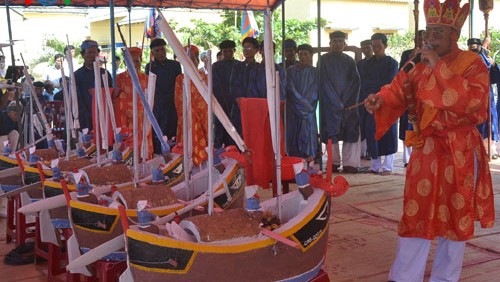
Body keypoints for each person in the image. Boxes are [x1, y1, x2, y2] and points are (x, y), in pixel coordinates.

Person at [364, 1, 494, 280]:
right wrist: (380, 100)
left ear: (453, 35)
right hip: (427, 149)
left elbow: (472, 103)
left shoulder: (472, 64)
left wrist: (439, 68)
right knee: (416, 213)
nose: (429, 38)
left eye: (437, 33)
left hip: (460, 150)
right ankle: (404, 277)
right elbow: (397, 88)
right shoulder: (417, 62)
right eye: (427, 32)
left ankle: (445, 278)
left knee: (455, 217)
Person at [319, 31, 362, 174]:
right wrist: (336, 101)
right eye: (335, 41)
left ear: (345, 44)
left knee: (350, 132)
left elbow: (355, 82)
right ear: (330, 43)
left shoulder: (349, 61)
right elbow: (323, 82)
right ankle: (333, 162)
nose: (337, 44)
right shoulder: (323, 60)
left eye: (340, 41)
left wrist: (346, 101)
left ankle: (350, 163)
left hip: (348, 105)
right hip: (330, 105)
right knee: (332, 134)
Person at [358, 33, 399, 175]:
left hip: (387, 103)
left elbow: (390, 82)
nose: (376, 49)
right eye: (373, 46)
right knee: (372, 133)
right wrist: (370, 98)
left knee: (389, 134)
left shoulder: (392, 63)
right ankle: (375, 166)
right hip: (371, 103)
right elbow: (365, 82)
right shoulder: (367, 64)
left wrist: (379, 96)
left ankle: (387, 166)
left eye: (378, 46)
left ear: (385, 46)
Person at [112, 47, 153, 159]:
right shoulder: (118, 79)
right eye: (131, 61)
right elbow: (115, 100)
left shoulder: (147, 79)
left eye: (137, 61)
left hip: (143, 119)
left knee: (143, 148)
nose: (135, 64)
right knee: (127, 150)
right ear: (125, 63)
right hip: (125, 120)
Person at [173, 45, 208, 166]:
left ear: (198, 60)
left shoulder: (204, 76)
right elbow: (178, 101)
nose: (191, 61)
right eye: (188, 59)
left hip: (202, 116)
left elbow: (207, 99)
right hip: (187, 117)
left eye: (193, 58)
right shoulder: (179, 79)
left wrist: (198, 112)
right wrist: (190, 112)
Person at [145, 38, 182, 155]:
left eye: (162, 50)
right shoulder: (150, 67)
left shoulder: (175, 65)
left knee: (173, 129)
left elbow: (179, 84)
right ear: (152, 53)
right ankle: (159, 154)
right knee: (159, 130)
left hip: (173, 104)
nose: (160, 53)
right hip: (158, 106)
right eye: (157, 51)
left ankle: (175, 152)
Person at [468, 37, 500, 159]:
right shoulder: (467, 59)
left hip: (486, 94)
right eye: (472, 47)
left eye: (476, 47)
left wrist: (492, 65)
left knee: (490, 121)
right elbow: (478, 62)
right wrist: (485, 45)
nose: (474, 49)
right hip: (470, 95)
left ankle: (490, 148)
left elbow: (495, 77)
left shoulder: (485, 57)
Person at [285, 44, 318, 161]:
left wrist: (306, 106)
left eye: (305, 54)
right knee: (293, 135)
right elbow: (290, 89)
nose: (303, 57)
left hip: (309, 110)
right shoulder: (291, 71)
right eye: (300, 54)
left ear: (311, 56)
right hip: (294, 110)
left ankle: (309, 162)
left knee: (308, 136)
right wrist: (303, 105)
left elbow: (315, 92)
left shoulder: (316, 72)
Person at [399, 30, 426, 167]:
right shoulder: (407, 53)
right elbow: (402, 72)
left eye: (423, 38)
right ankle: (408, 158)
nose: (421, 40)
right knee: (409, 126)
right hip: (410, 95)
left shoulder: (431, 54)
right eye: (418, 38)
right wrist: (412, 57)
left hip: (425, 96)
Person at [74, 39, 113, 131]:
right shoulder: (76, 76)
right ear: (83, 55)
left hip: (104, 117)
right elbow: (76, 100)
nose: (92, 55)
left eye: (94, 52)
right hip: (85, 119)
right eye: (89, 52)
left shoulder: (105, 73)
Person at [229, 36, 260, 135]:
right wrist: (238, 99)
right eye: (244, 48)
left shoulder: (260, 68)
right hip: (239, 106)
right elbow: (233, 85)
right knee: (238, 133)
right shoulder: (237, 66)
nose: (246, 51)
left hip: (254, 106)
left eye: (249, 48)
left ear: (256, 50)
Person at [213, 39, 239, 147]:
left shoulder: (239, 65)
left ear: (234, 51)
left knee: (235, 130)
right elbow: (214, 85)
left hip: (236, 105)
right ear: (221, 52)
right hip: (220, 104)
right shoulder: (216, 66)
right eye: (225, 51)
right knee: (219, 131)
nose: (228, 53)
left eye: (230, 51)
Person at [357, 39, 374, 159]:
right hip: (361, 99)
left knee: (371, 126)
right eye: (363, 48)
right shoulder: (359, 64)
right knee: (361, 124)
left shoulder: (377, 62)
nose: (366, 50)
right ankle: (362, 151)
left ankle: (371, 150)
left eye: (368, 47)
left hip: (374, 99)